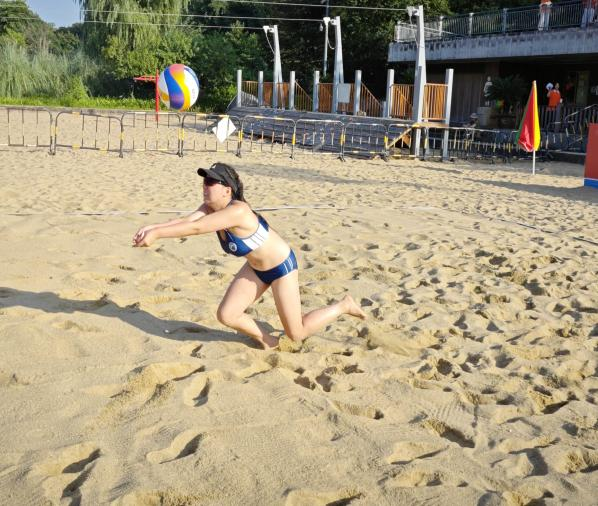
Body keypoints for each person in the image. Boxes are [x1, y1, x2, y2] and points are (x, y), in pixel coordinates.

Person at [132, 162, 366, 350]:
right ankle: (268, 340)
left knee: (297, 333)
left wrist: (157, 235)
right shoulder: (210, 208)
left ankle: (343, 306)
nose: (205, 185)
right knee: (227, 315)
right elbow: (186, 221)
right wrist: (153, 228)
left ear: (227, 190)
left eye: (211, 181)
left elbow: (196, 228)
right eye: (204, 180)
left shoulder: (238, 211)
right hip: (257, 269)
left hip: (281, 267)